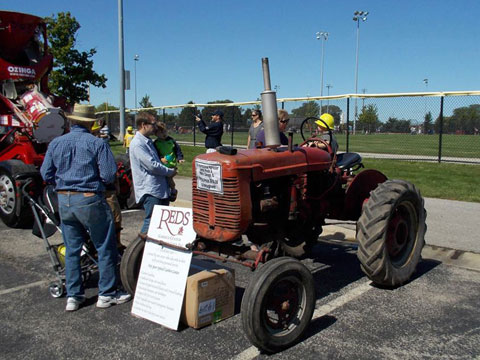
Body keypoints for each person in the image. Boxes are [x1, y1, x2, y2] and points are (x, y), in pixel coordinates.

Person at [40, 103, 131, 312]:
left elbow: (46, 174)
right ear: (91, 123)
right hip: (89, 197)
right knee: (104, 246)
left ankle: (74, 296)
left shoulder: (56, 143)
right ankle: (107, 293)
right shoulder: (97, 144)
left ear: (72, 121)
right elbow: (109, 175)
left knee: (72, 249)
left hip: (64, 199)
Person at [129, 112, 177, 234]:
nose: (155, 127)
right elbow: (152, 166)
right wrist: (169, 172)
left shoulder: (148, 141)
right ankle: (141, 250)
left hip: (159, 188)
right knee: (151, 222)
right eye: (153, 124)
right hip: (151, 191)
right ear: (144, 125)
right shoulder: (138, 144)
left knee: (161, 222)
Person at [153, 121, 185, 202]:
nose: (163, 134)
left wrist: (180, 158)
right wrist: (161, 158)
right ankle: (169, 190)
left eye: (164, 132)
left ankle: (173, 190)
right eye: (161, 133)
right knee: (166, 179)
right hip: (163, 164)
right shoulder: (156, 143)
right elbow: (155, 153)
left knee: (169, 178)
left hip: (171, 163)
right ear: (156, 134)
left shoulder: (171, 140)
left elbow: (177, 149)